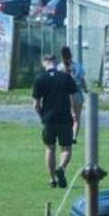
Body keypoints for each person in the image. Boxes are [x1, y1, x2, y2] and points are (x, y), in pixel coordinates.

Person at [32, 52, 78, 188]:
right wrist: (74, 113)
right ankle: (61, 168)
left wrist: (42, 116)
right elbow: (74, 98)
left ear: (43, 62)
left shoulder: (40, 79)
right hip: (64, 118)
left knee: (50, 149)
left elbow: (36, 104)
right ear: (55, 61)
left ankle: (52, 179)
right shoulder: (65, 77)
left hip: (49, 119)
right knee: (66, 148)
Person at [59, 46, 87, 134]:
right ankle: (74, 136)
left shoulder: (59, 67)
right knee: (76, 118)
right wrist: (85, 89)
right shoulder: (77, 66)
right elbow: (82, 80)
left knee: (65, 117)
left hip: (64, 95)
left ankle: (66, 134)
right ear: (71, 55)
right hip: (77, 93)